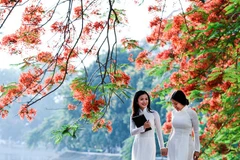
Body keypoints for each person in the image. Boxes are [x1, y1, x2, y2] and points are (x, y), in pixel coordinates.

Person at [130, 90, 167, 160]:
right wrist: (143, 127)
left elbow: (159, 132)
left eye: (146, 99)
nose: (144, 101)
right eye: (141, 99)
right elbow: (132, 132)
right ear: (136, 101)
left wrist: (162, 147)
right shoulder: (134, 115)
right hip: (138, 144)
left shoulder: (154, 114)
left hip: (150, 144)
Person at [166, 90, 200, 160]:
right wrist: (167, 146)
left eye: (176, 104)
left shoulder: (191, 113)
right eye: (173, 104)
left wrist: (197, 149)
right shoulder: (173, 113)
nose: (174, 106)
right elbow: (173, 130)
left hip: (186, 143)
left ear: (181, 101)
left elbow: (196, 132)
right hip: (173, 143)